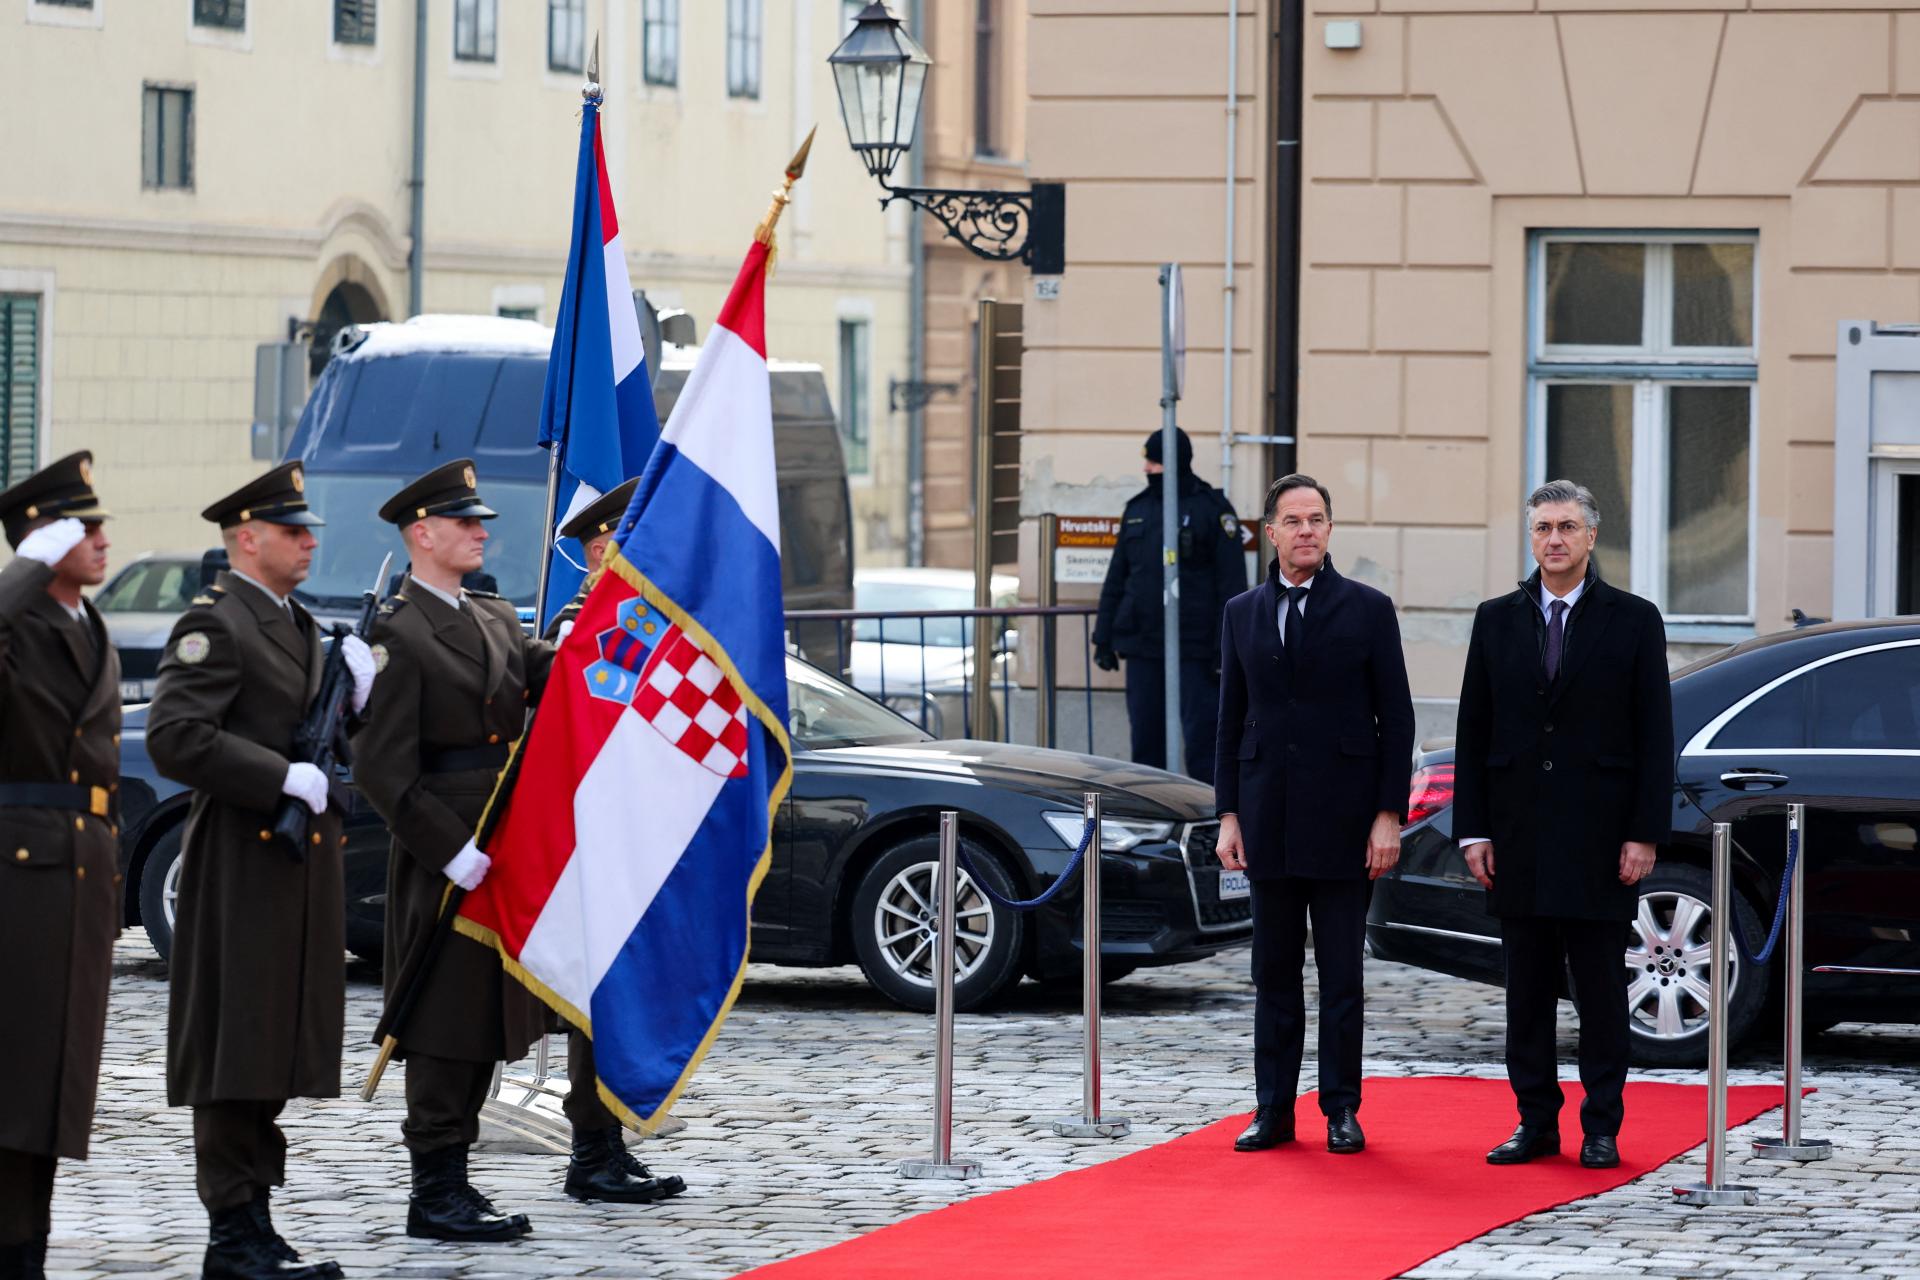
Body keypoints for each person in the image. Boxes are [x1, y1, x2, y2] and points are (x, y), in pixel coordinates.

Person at [147, 461, 370, 1280]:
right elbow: (177, 736)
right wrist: (278, 777)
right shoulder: (219, 624)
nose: (310, 541)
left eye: (308, 529)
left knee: (274, 1044)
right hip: (241, 865)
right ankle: (232, 1232)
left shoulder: (296, 622)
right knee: (236, 1047)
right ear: (247, 538)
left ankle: (256, 1221)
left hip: (294, 869)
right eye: (292, 530)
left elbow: (312, 735)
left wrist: (353, 707)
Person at [1453, 479, 1673, 1171]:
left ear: (1591, 537)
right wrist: (1473, 830)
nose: (1555, 539)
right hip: (1517, 838)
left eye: (1567, 527)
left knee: (1603, 995)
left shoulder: (1634, 620)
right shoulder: (1496, 619)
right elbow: (1473, 729)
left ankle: (1601, 1125)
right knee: (1526, 995)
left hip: (1600, 841)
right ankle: (1535, 1123)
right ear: (1532, 536)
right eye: (1544, 527)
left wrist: (1644, 832)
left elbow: (1654, 734)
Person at [1214, 474, 1413, 1156]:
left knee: (1340, 976)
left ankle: (1341, 1108)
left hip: (1346, 822)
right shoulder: (1242, 611)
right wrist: (1228, 815)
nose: (1306, 531)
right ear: (1270, 532)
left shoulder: (1367, 609)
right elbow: (1229, 721)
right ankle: (1273, 1109)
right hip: (1267, 819)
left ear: (1330, 530)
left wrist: (1389, 814)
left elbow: (1398, 718)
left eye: (1318, 519)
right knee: (1272, 974)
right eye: (1293, 520)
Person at [540, 477, 686, 1206]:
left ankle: (609, 1143)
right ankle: (589, 1150)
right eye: (626, 539)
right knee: (594, 1004)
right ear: (601, 549)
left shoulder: (640, 616)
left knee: (626, 997)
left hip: (633, 836)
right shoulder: (584, 623)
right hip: (589, 839)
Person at [0, 454, 120, 1280]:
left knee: (55, 1077)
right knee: (14, 1072)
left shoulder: (90, 625)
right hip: (20, 871)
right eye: (82, 528)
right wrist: (23, 568)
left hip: (82, 869)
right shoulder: (19, 625)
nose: (102, 539)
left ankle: (27, 1248)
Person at [1092, 427, 1245, 781]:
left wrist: (1225, 649)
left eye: (1154, 460)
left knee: (1204, 741)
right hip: (1145, 646)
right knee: (1146, 742)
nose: (1147, 468)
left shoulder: (1212, 510)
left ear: (1173, 462)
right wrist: (1103, 636)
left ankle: (1210, 824)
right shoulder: (1138, 510)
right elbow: (1117, 578)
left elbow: (1231, 586)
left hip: (1195, 650)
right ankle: (1151, 821)